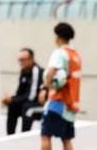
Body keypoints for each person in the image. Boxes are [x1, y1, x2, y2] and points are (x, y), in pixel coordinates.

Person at [40, 22, 81, 150]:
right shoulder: (76, 55)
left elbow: (52, 72)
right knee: (66, 139)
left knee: (46, 135)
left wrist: (45, 87)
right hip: (71, 104)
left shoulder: (59, 53)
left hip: (58, 101)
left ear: (58, 36)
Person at [3, 47, 44, 134]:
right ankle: (10, 137)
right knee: (12, 106)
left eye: (23, 60)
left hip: (39, 105)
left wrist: (13, 99)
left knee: (27, 108)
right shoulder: (23, 72)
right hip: (28, 102)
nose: (21, 62)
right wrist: (10, 99)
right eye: (19, 60)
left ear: (31, 59)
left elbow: (32, 96)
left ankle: (23, 136)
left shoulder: (37, 71)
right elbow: (19, 93)